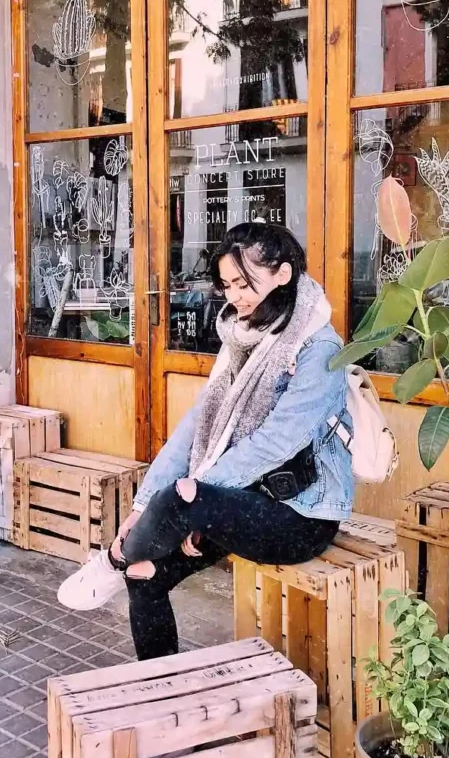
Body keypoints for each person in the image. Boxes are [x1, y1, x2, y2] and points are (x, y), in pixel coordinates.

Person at [57, 221, 354, 660]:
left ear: (284, 274)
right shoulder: (242, 339)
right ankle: (161, 688)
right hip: (238, 500)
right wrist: (142, 505)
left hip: (299, 516)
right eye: (228, 285)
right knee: (146, 572)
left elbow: (276, 442)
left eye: (245, 282)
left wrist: (200, 502)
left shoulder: (319, 349)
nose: (235, 296)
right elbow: (194, 428)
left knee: (183, 499)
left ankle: (113, 560)